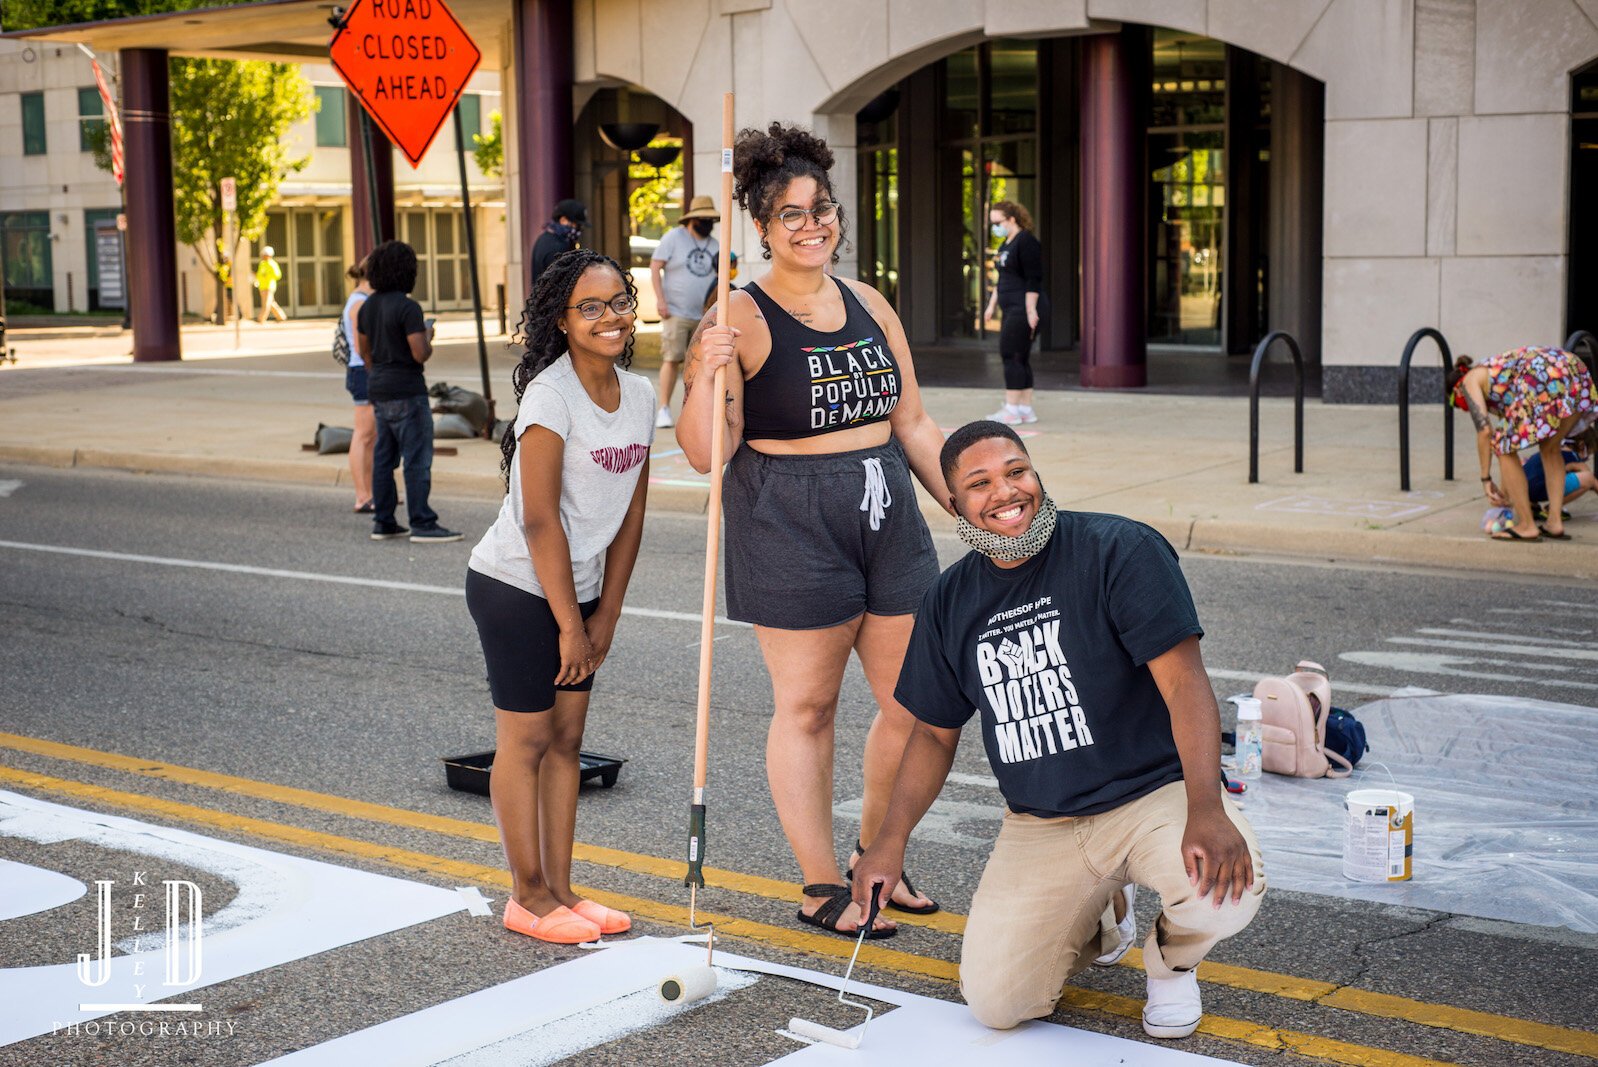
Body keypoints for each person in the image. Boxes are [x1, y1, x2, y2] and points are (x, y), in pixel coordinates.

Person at [854, 420, 1265, 1040]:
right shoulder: (949, 599)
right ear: (955, 503)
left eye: (1016, 471)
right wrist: (888, 841)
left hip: (1155, 795)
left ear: (1036, 475)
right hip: (1044, 821)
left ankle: (1171, 966)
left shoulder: (1119, 549)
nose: (1006, 492)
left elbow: (1185, 684)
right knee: (995, 1003)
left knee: (1224, 893)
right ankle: (1102, 915)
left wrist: (1207, 806)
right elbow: (934, 735)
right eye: (980, 483)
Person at [681, 122, 948, 938]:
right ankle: (822, 880)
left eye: (820, 208)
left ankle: (881, 855)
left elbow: (914, 420)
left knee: (919, 703)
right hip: (788, 513)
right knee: (808, 707)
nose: (810, 224)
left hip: (886, 507)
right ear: (760, 227)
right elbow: (703, 451)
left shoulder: (870, 302)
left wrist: (984, 514)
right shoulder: (743, 314)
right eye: (789, 214)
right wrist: (702, 367)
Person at [466, 249, 654, 944]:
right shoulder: (551, 394)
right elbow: (540, 516)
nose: (611, 318)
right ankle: (528, 896)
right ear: (564, 321)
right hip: (516, 585)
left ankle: (563, 888)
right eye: (592, 307)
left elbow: (631, 513)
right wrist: (570, 624)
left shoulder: (639, 395)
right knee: (528, 739)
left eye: (619, 301)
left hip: (581, 590)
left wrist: (606, 612)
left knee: (570, 740)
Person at [356, 239, 463, 543]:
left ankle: (384, 520)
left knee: (383, 458)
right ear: (407, 272)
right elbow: (420, 353)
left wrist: (379, 371)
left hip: (379, 388)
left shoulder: (367, 306)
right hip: (407, 389)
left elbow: (365, 352)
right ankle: (422, 522)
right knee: (416, 460)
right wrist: (428, 334)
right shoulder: (408, 307)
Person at [1452, 347, 1598, 542]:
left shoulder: (1469, 380)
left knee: (1501, 445)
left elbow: (1485, 432)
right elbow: (1511, 440)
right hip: (1574, 369)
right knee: (1550, 447)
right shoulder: (1496, 378)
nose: (1463, 408)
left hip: (1542, 375)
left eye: (1456, 403)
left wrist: (1486, 479)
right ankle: (1554, 522)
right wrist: (1506, 497)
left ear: (1456, 389)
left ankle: (1527, 526)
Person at [650, 194, 722, 429]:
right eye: (704, 219)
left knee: (700, 363)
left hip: (704, 314)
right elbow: (655, 266)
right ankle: (663, 408)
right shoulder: (673, 238)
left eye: (711, 219)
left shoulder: (714, 245)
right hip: (676, 311)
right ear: (693, 219)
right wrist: (661, 300)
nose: (709, 224)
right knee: (671, 358)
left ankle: (694, 409)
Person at [982, 201, 1043, 425]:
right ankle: (1025, 409)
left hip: (1022, 308)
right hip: (1010, 308)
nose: (995, 227)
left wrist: (1030, 310)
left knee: (1012, 355)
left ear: (1012, 219)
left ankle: (1011, 410)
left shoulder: (1026, 241)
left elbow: (1033, 278)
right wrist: (991, 306)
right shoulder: (1005, 245)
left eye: (998, 222)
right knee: (1020, 356)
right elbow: (1003, 281)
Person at [341, 261, 376, 513]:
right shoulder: (360, 302)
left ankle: (372, 492)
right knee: (363, 435)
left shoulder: (360, 299)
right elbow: (361, 345)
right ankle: (362, 495)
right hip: (362, 371)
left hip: (363, 371)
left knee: (371, 436)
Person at [1521, 430, 1597, 522]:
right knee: (1588, 478)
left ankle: (1531, 507)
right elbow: (1593, 482)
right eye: (1588, 453)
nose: (1587, 457)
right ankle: (1551, 509)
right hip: (1540, 489)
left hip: (1523, 489)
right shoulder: (1573, 456)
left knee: (1536, 473)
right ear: (1581, 445)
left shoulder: (1552, 449)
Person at [530, 199, 588, 286]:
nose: (579, 229)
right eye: (576, 224)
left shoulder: (545, 238)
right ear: (563, 220)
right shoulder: (558, 247)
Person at [255, 246, 286, 323]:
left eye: (264, 254)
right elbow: (259, 274)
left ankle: (261, 319)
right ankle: (281, 317)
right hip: (262, 286)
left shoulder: (272, 264)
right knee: (271, 303)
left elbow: (278, 275)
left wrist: (267, 275)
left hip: (269, 287)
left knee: (266, 304)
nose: (263, 256)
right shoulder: (262, 264)